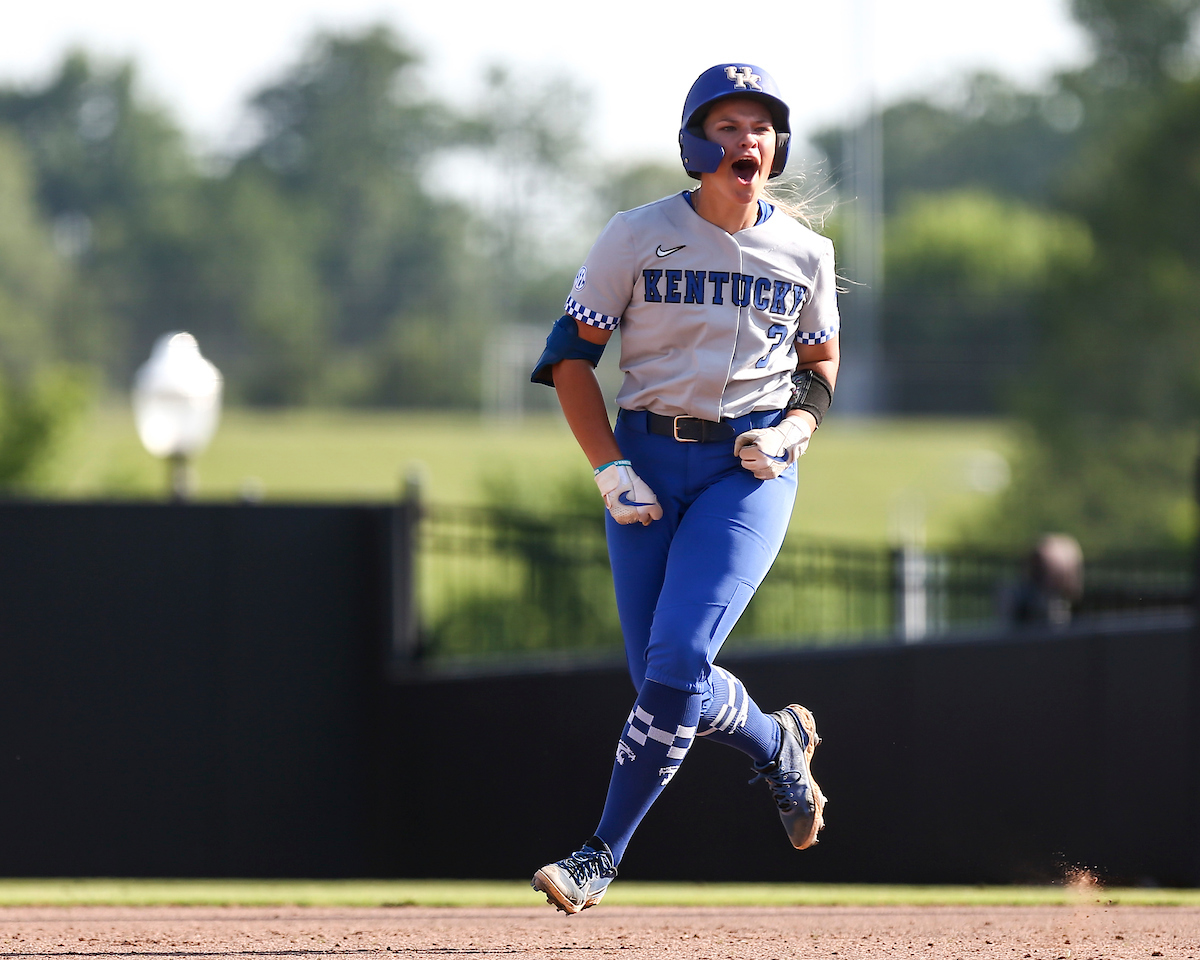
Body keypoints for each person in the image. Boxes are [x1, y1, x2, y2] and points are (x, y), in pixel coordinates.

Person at [528, 63, 840, 915]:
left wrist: (794, 430)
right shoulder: (635, 234)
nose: (750, 141)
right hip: (646, 462)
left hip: (748, 471)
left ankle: (598, 856)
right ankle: (777, 740)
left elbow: (818, 369)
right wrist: (606, 465)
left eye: (762, 127)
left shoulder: (808, 252)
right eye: (731, 125)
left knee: (675, 663)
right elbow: (568, 359)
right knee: (661, 678)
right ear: (697, 141)